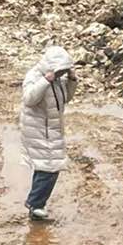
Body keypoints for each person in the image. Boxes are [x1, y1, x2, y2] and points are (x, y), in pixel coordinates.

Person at [20, 45, 76, 221]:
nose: (61, 74)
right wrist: (45, 81)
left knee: (47, 166)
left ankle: (37, 204)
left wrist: (72, 80)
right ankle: (35, 204)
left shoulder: (57, 81)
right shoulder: (34, 76)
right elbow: (29, 99)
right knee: (49, 168)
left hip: (51, 129)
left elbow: (65, 99)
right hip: (39, 130)